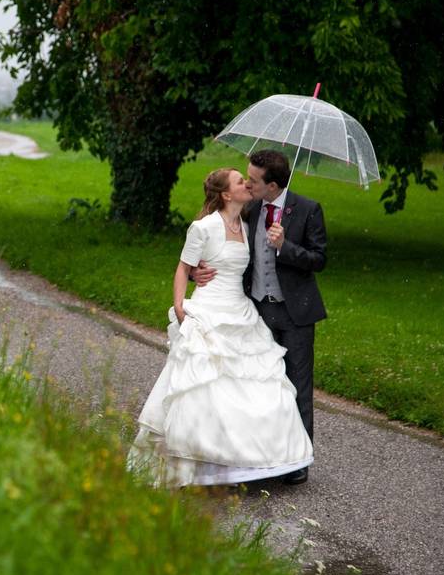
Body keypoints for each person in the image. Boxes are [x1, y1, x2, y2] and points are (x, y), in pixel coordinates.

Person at [127, 168, 313, 488]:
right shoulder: (203, 227)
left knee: (254, 384)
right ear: (227, 194)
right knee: (203, 386)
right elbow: (183, 268)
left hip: (240, 310)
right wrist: (181, 306)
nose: (248, 184)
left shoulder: (247, 221)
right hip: (209, 309)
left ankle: (250, 460)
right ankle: (195, 460)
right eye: (241, 182)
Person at [193, 149, 327, 485]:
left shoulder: (308, 209)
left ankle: (298, 460)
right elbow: (224, 248)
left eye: (253, 180)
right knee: (262, 385)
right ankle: (260, 455)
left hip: (296, 313)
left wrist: (286, 247)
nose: (248, 184)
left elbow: (319, 259)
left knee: (298, 385)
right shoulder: (249, 209)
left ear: (273, 185)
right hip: (258, 310)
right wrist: (199, 272)